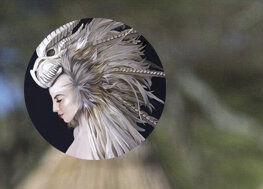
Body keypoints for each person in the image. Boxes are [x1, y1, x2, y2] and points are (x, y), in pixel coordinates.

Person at [29, 18, 165, 160]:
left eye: (59, 99)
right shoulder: (78, 133)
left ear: (84, 88)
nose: (54, 108)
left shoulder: (110, 145)